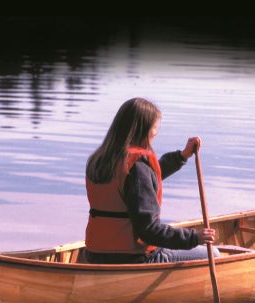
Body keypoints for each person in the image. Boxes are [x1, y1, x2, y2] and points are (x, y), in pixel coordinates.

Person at [85, 97, 219, 264]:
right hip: (133, 257)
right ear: (144, 130)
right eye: (155, 128)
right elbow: (148, 230)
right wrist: (194, 238)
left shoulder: (100, 160)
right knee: (214, 253)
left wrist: (182, 156)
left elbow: (140, 183)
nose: (156, 133)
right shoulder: (136, 166)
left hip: (93, 254)